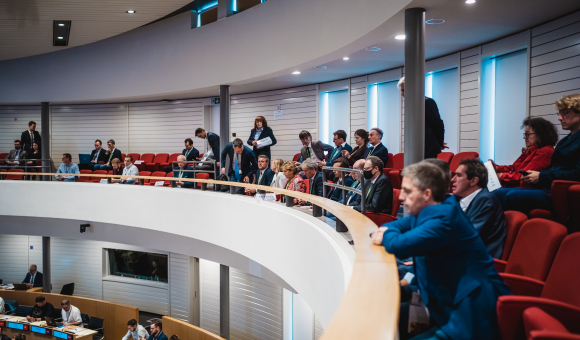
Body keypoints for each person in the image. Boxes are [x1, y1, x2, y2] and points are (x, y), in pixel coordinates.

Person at [371, 160, 510, 340]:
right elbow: (394, 226)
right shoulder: (430, 209)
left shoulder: (444, 218)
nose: (400, 197)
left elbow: (399, 244)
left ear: (427, 194)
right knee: (382, 314)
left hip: (465, 311)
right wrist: (388, 232)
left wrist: (385, 235)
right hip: (438, 298)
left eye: (407, 191)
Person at [493, 94, 580, 215]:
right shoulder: (565, 140)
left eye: (565, 113)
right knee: (497, 193)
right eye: (559, 113)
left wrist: (541, 176)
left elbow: (576, 174)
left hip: (560, 192)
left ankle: (509, 231)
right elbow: (554, 168)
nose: (560, 118)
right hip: (548, 187)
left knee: (511, 196)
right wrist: (538, 175)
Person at [452, 159, 506, 259]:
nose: (453, 180)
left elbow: (466, 237)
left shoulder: (485, 200)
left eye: (459, 175)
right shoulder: (463, 200)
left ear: (473, 181)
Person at [489, 117, 558, 187]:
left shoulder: (545, 152)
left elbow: (523, 175)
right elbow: (514, 168)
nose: (524, 137)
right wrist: (497, 168)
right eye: (524, 134)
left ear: (540, 135)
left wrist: (500, 176)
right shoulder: (531, 150)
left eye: (528, 134)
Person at [398, 77, 446, 159]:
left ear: (412, 88)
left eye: (403, 90)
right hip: (414, 151)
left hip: (428, 150)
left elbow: (437, 124)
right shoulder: (410, 106)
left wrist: (440, 143)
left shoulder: (428, 102)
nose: (402, 94)